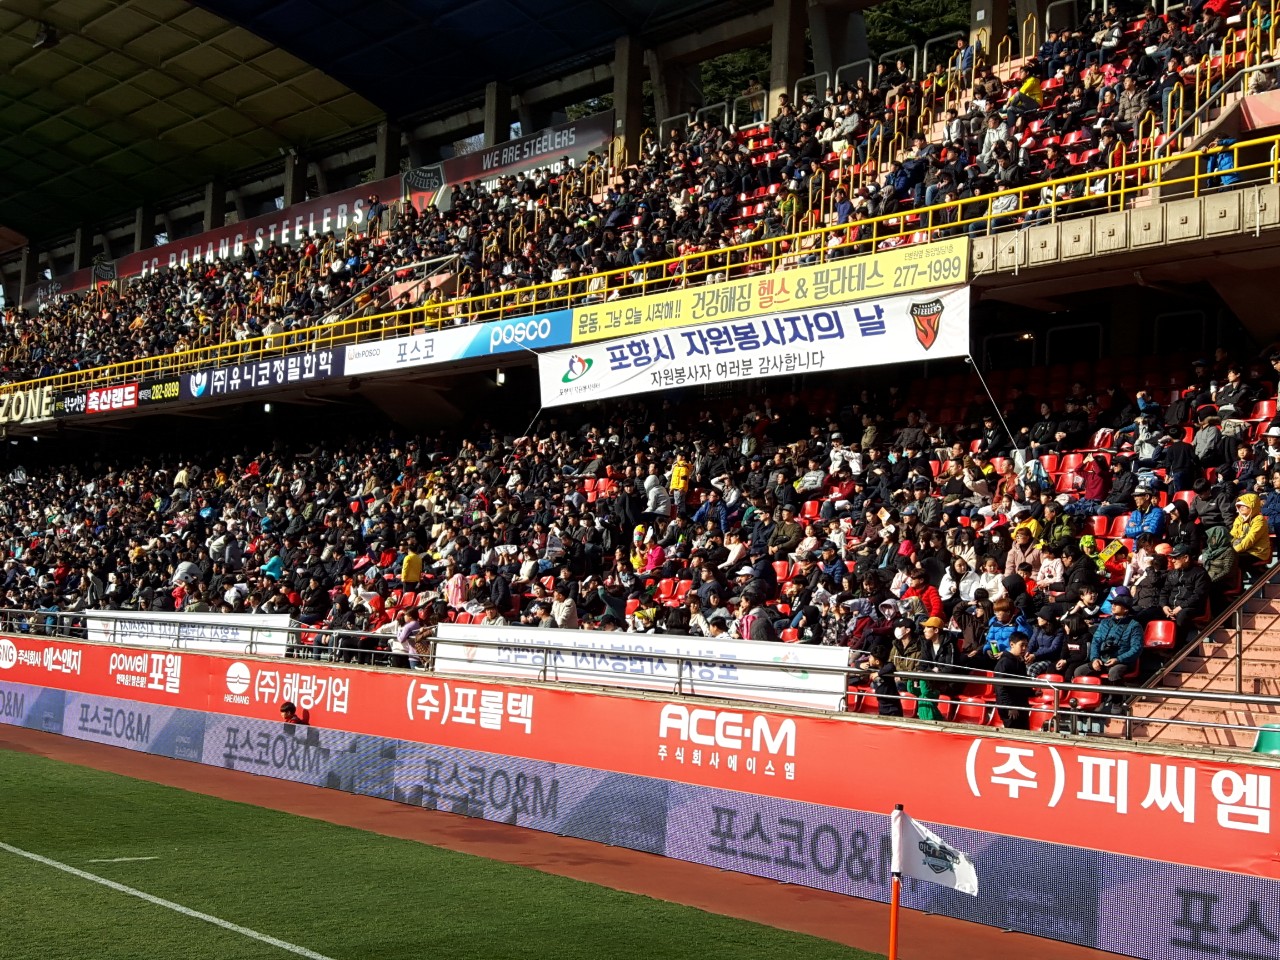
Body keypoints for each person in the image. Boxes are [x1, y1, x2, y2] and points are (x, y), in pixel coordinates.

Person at [1073, 595, 1143, 704]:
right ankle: (1090, 701)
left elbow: (1136, 648)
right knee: (1080, 671)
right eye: (1113, 604)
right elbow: (1096, 641)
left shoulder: (1134, 626)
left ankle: (1116, 703)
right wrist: (1095, 658)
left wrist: (1118, 659)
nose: (1113, 606)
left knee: (1115, 672)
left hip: (1123, 661)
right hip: (1103, 659)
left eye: (1117, 604)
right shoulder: (1105, 622)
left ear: (1126, 609)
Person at [1231, 493, 1273, 583]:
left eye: (1244, 505)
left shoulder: (1259, 520)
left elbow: (1250, 539)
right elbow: (1233, 536)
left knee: (1232, 558)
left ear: (1252, 506)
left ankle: (1238, 586)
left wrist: (1233, 550)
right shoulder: (1238, 519)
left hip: (1257, 552)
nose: (1241, 507)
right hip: (1242, 549)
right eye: (1239, 505)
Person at [994, 631, 1032, 729]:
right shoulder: (1004, 663)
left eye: (1026, 645)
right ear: (1012, 644)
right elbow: (1000, 688)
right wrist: (1009, 706)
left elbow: (1023, 684)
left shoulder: (1020, 662)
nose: (1024, 648)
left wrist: (1033, 693)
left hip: (1021, 705)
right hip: (1010, 708)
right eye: (1021, 645)